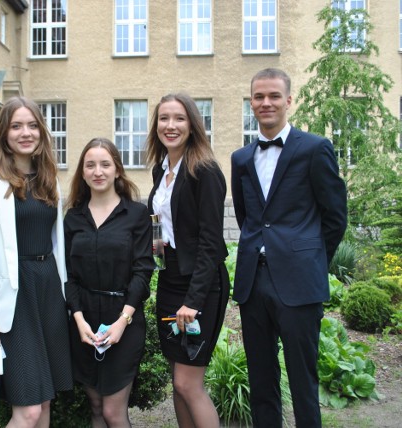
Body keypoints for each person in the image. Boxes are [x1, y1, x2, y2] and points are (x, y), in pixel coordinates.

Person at [231, 68, 348, 427]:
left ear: (288, 101)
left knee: (303, 382)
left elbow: (335, 216)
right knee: (261, 381)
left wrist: (311, 260)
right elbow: (247, 217)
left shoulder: (314, 149)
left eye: (273, 96)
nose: (266, 103)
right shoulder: (241, 158)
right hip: (254, 284)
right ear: (251, 102)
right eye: (259, 97)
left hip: (299, 283)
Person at [0, 96, 73, 428]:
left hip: (48, 294)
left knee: (43, 405)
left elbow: (57, 243)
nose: (25, 133)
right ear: (3, 133)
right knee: (27, 410)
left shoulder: (48, 178)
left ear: (42, 132)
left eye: (32, 125)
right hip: (13, 300)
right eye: (16, 126)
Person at [146, 93, 230, 428]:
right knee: (176, 382)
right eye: (164, 118)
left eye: (179, 118)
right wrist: (155, 261)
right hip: (171, 281)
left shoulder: (205, 171)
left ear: (193, 125)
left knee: (188, 383)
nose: (170, 125)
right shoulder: (160, 169)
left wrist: (193, 302)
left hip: (201, 286)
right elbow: (159, 225)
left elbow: (211, 241)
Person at [64, 138, 155, 428]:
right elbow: (69, 276)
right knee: (96, 408)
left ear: (117, 170)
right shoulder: (72, 218)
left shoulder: (137, 215)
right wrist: (78, 321)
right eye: (90, 165)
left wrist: (122, 321)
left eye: (105, 164)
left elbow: (143, 271)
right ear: (83, 172)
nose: (98, 171)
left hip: (123, 319)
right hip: (85, 322)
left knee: (115, 412)